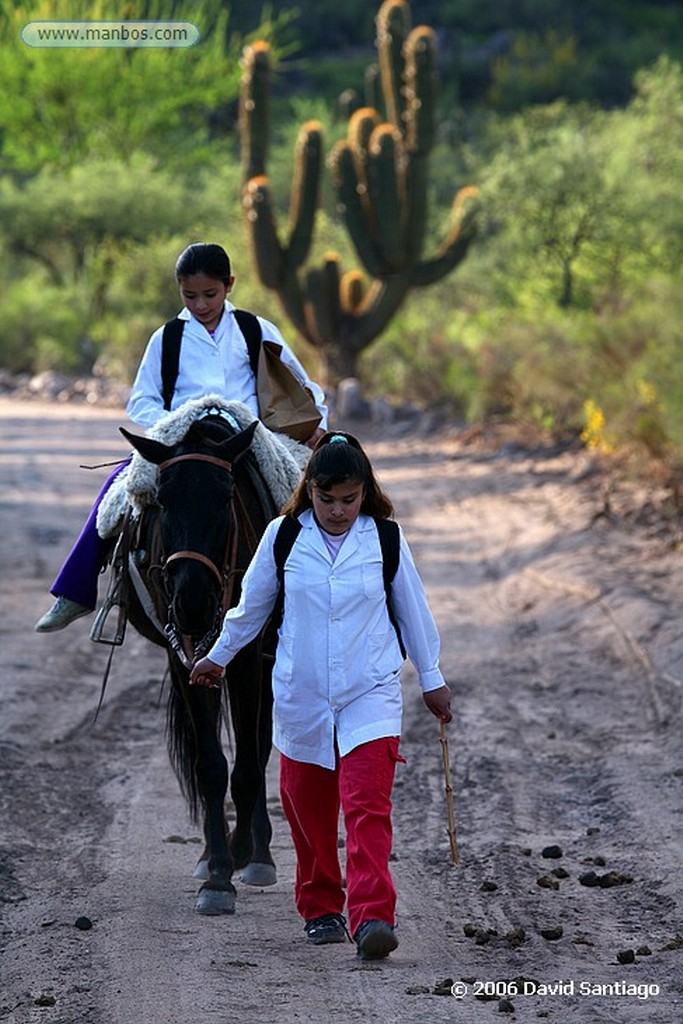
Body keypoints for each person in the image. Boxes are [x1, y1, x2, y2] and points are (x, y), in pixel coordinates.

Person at [190, 431, 452, 961]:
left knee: (366, 808)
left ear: (365, 492)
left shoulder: (385, 539)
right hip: (302, 695)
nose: (337, 510)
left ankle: (374, 915)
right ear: (308, 490)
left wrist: (432, 678)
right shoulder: (282, 537)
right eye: (326, 498)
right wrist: (218, 656)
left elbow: (413, 613)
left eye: (349, 499)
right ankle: (320, 908)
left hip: (369, 694)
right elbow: (252, 607)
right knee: (308, 815)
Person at [35, 242, 327, 632]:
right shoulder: (168, 338)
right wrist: (176, 427)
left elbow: (301, 383)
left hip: (246, 436)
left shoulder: (255, 329)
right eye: (190, 296)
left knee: (302, 491)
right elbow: (141, 401)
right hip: (182, 437)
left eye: (210, 294)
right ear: (179, 290)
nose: (201, 304)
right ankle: (76, 591)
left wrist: (318, 421)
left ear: (229, 286)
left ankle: (320, 593)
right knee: (119, 489)